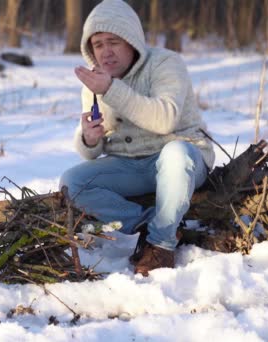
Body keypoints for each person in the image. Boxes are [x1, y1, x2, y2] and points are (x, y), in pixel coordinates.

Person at [59, 0, 215, 276]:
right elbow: (93, 150)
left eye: (113, 42)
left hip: (181, 156)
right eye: (97, 45)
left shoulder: (166, 63)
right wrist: (89, 138)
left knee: (176, 154)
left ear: (132, 42)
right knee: (73, 182)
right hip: (130, 165)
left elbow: (164, 118)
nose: (105, 53)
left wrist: (111, 89)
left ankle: (161, 244)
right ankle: (145, 224)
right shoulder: (96, 81)